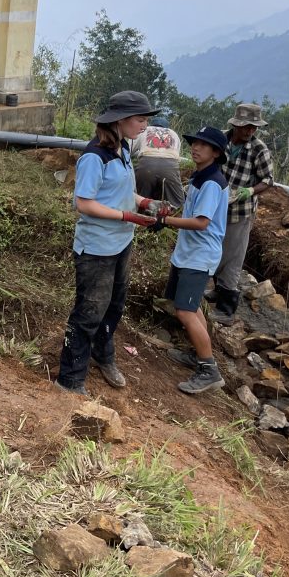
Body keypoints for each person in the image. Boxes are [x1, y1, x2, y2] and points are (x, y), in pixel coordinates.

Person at [56, 91, 169, 395]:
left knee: (114, 305)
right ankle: (70, 379)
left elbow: (120, 192)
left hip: (121, 243)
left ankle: (103, 355)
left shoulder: (123, 148)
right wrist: (127, 217)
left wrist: (145, 202)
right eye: (141, 119)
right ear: (121, 120)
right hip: (96, 248)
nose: (145, 125)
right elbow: (84, 203)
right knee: (89, 311)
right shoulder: (95, 156)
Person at [159, 126, 230, 394]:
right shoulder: (201, 176)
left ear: (216, 152)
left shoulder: (212, 182)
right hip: (188, 253)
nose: (196, 148)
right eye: (195, 143)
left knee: (185, 311)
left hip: (199, 256)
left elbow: (201, 222)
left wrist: (165, 221)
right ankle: (198, 353)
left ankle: (209, 369)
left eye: (204, 145)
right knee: (188, 306)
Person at [210, 102, 274, 324]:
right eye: (246, 126)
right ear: (236, 124)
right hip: (216, 206)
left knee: (234, 256)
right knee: (215, 249)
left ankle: (227, 308)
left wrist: (250, 191)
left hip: (240, 210)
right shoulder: (222, 141)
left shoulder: (258, 149)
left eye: (253, 127)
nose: (249, 131)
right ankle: (217, 290)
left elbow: (268, 180)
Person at [132, 115, 185, 209]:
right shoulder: (173, 133)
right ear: (167, 127)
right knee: (177, 203)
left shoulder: (145, 130)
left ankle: (138, 218)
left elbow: (129, 150)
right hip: (170, 167)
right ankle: (176, 218)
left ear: (152, 124)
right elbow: (176, 156)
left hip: (146, 165)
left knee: (140, 199)